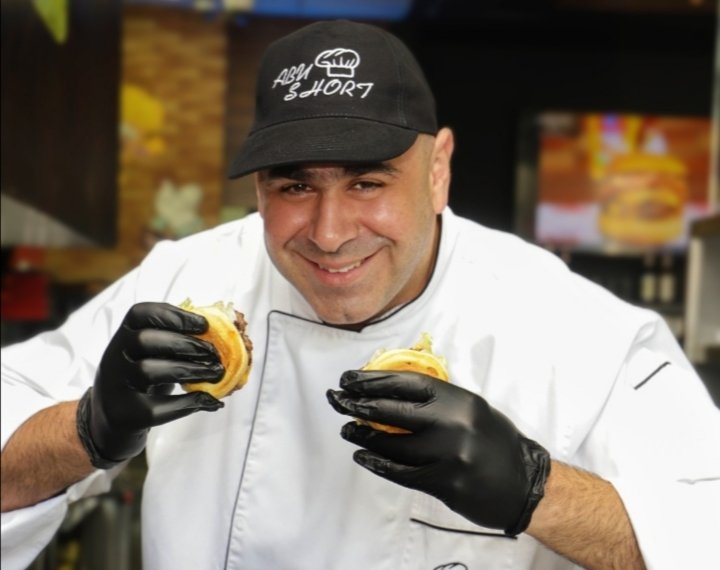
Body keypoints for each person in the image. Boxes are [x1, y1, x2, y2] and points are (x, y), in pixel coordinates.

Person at [1, 19, 718, 570]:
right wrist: (90, 427)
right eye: (294, 186)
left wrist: (533, 490)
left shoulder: (572, 328)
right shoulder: (187, 279)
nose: (329, 232)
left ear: (437, 170)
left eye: (368, 182)